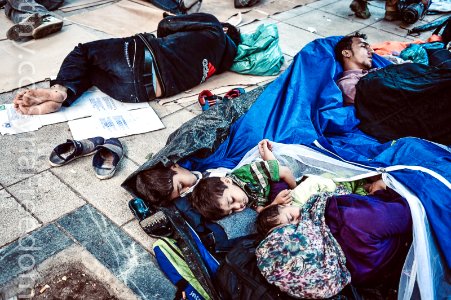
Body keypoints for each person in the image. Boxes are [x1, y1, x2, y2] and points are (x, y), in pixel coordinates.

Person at [12, 13, 240, 115]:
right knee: (91, 71)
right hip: (137, 93)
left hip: (139, 58)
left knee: (83, 53)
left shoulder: (213, 26)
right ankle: (66, 94)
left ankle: (59, 90)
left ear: (226, 29)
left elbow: (166, 25)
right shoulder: (220, 65)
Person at [255, 186, 412, 293]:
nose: (299, 223)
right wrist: (385, 188)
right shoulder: (349, 219)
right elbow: (410, 213)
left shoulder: (333, 270)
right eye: (293, 229)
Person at [335, 32, 451, 145]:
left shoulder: (377, 70)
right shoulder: (348, 83)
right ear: (346, 53)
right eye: (364, 46)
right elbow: (380, 103)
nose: (371, 52)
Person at [191, 139, 297, 220]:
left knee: (275, 171)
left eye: (232, 200)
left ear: (227, 181)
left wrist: (296, 189)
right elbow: (260, 210)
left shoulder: (248, 174)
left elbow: (284, 171)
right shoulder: (243, 194)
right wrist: (275, 203)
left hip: (285, 173)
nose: (239, 207)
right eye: (232, 211)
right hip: (268, 188)